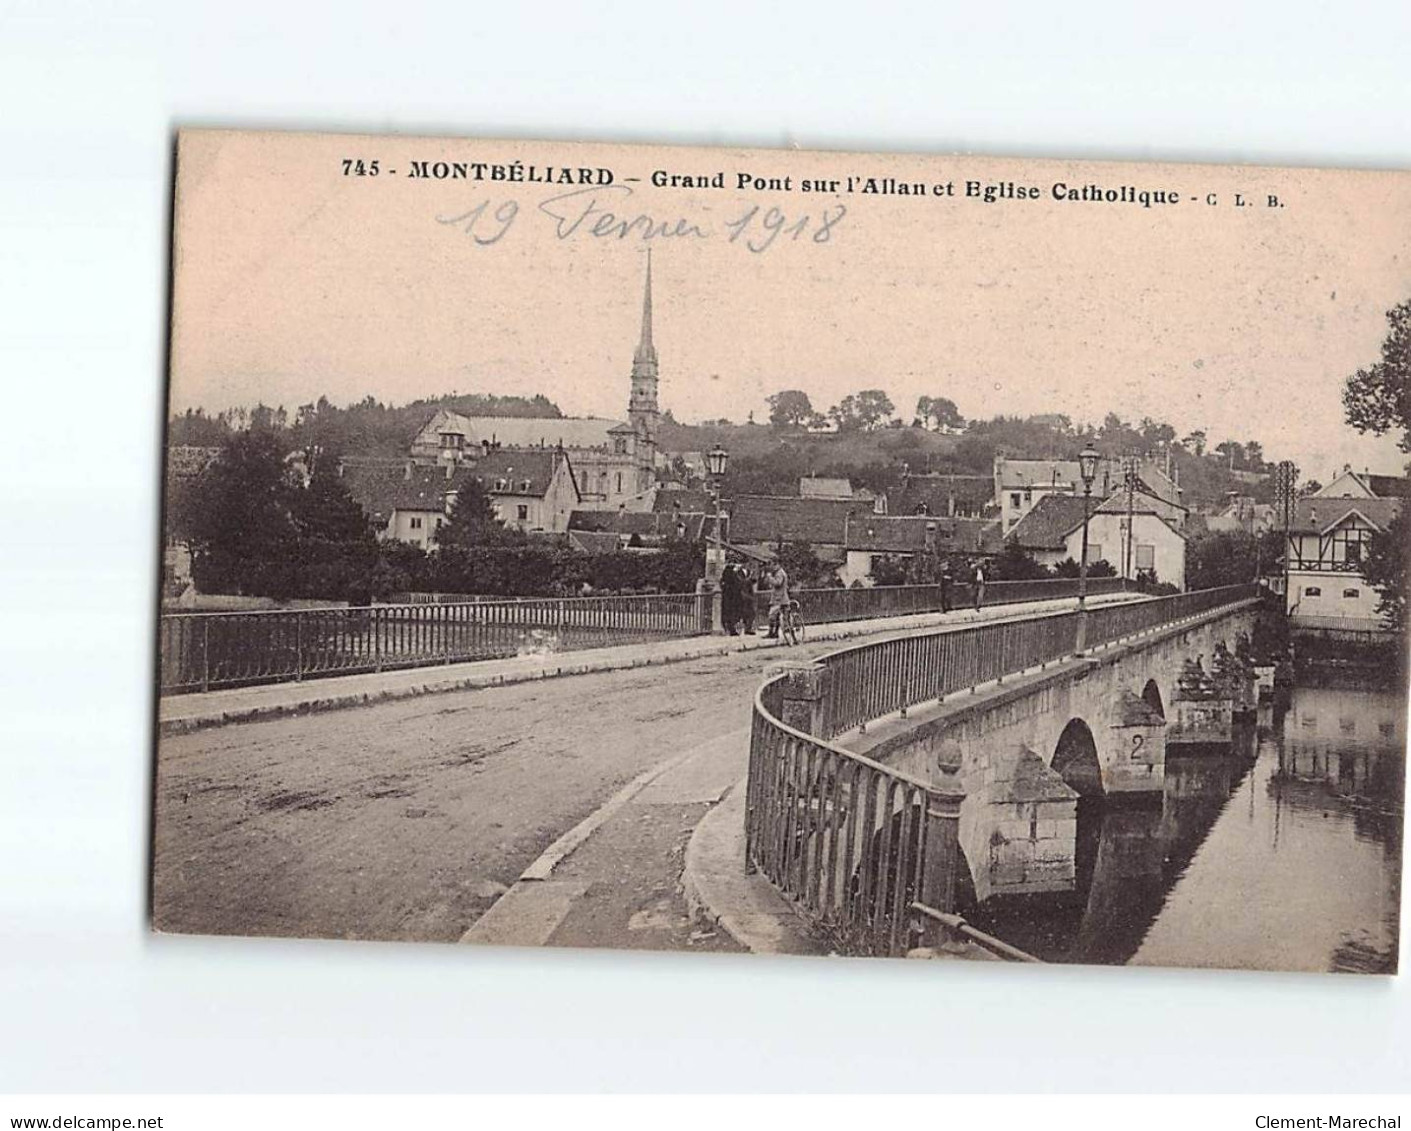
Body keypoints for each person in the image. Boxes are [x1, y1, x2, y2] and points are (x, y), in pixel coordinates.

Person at [764, 562, 790, 639]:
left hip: (779, 599)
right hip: (782, 598)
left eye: (773, 565)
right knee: (777, 616)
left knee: (772, 615)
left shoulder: (779, 573)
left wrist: (770, 578)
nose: (772, 567)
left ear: (777, 565)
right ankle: (775, 632)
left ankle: (772, 632)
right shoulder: (780, 572)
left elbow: (778, 583)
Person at [720, 564, 741, 635]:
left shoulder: (724, 578)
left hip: (726, 598)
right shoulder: (733, 576)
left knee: (727, 614)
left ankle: (727, 628)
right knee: (732, 614)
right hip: (732, 598)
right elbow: (738, 584)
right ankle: (731, 629)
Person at [739, 566, 757, 635]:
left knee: (749, 613)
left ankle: (747, 628)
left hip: (747, 597)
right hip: (746, 598)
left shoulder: (748, 576)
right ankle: (747, 628)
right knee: (750, 613)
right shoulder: (746, 580)